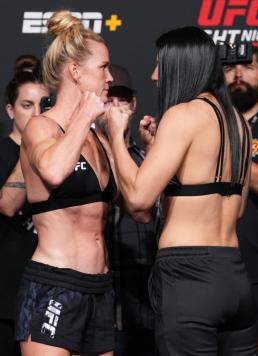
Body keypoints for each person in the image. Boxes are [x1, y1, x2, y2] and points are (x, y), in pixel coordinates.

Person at [107, 26, 258, 355]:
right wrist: (154, 155)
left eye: (160, 64)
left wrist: (117, 137)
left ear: (181, 65)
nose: (153, 75)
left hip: (190, 281)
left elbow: (137, 199)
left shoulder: (181, 115)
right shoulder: (240, 124)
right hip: (234, 277)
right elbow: (236, 206)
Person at [14, 10, 120, 356]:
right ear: (75, 71)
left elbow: (138, 207)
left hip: (101, 287)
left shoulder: (98, 137)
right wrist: (84, 118)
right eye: (103, 67)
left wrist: (122, 138)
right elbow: (55, 172)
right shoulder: (40, 127)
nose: (109, 77)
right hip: (55, 283)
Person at [224, 46, 258, 356]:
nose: (238, 74)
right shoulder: (208, 123)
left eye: (249, 67)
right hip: (221, 270)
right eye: (230, 68)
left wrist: (231, 143)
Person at [104, 64, 160, 356]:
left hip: (149, 298)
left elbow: (150, 214)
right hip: (105, 304)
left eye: (122, 101)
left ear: (134, 104)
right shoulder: (85, 157)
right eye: (108, 100)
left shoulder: (150, 155)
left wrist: (150, 152)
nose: (115, 108)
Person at [0, 60, 49, 356]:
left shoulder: (59, 154)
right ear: (10, 110)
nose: (36, 113)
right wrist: (31, 147)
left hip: (48, 287)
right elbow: (7, 206)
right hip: (7, 291)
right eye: (27, 105)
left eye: (44, 104)